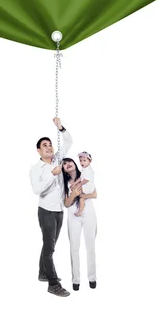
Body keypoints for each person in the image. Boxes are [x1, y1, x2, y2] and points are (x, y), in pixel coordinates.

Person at [29, 117, 72, 297]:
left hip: (59, 210)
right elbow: (37, 190)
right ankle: (52, 284)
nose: (49, 147)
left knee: (49, 245)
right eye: (44, 145)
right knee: (49, 248)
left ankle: (42, 273)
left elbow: (69, 140)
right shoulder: (36, 168)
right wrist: (53, 175)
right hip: (46, 211)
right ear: (39, 150)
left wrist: (60, 127)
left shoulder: (58, 160)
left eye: (50, 144)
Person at [62, 157, 98, 291]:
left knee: (91, 246)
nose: (67, 164)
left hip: (88, 214)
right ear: (63, 169)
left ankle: (92, 278)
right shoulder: (64, 183)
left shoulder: (85, 175)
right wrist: (73, 195)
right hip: (73, 216)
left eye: (69, 161)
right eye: (64, 164)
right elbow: (66, 203)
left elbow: (94, 194)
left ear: (75, 163)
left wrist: (81, 194)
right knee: (74, 248)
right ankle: (76, 280)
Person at [74, 151, 95, 217]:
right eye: (80, 161)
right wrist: (76, 182)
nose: (82, 162)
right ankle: (79, 208)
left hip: (88, 187)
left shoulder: (89, 170)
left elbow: (86, 180)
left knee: (81, 197)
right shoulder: (84, 169)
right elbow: (81, 177)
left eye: (84, 160)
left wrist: (79, 184)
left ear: (90, 161)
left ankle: (80, 211)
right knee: (80, 197)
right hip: (85, 186)